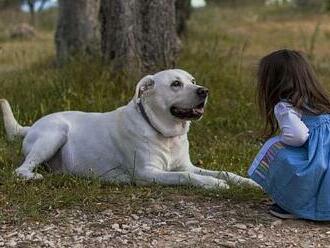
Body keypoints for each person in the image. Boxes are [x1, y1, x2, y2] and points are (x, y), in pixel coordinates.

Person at [248, 49, 330, 220]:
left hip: (318, 164)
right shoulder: (321, 103)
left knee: (276, 149)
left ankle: (293, 204)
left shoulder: (286, 106)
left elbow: (298, 136)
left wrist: (281, 140)